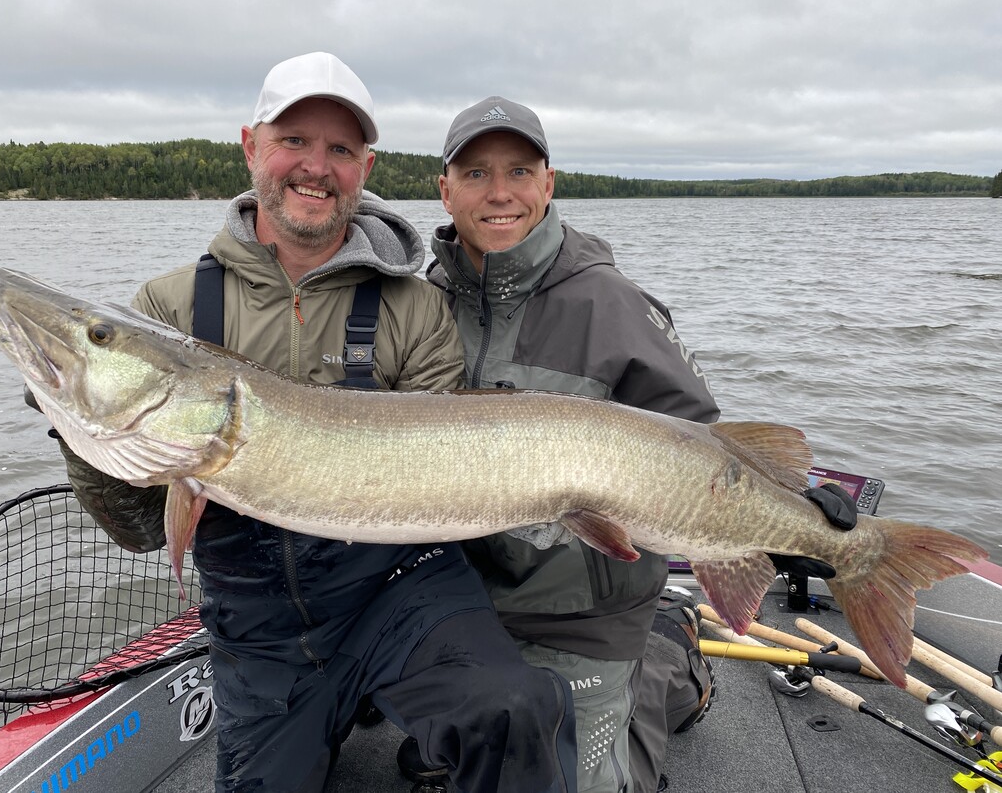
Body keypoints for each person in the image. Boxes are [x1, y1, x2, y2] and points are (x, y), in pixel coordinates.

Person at [44, 59, 577, 793]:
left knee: (515, 710)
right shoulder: (166, 310)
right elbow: (138, 528)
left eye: (341, 150)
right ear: (250, 146)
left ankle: (405, 708)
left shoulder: (413, 308)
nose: (315, 167)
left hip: (400, 590)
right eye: (295, 139)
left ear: (366, 167)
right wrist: (76, 424)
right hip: (262, 629)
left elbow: (441, 488)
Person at [404, 96, 859, 793]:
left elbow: (700, 447)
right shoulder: (415, 306)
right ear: (444, 189)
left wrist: (785, 516)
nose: (500, 192)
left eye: (519, 171)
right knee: (447, 754)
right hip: (462, 600)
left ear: (548, 183)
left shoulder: (612, 303)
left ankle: (667, 659)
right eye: (475, 174)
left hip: (586, 612)